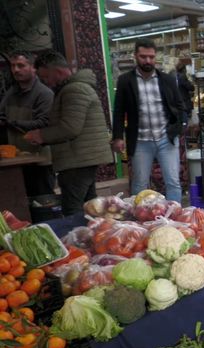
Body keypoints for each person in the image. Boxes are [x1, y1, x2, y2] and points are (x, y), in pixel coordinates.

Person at [24, 50, 113, 215]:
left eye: (45, 78)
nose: (45, 83)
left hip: (78, 160)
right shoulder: (74, 88)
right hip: (81, 158)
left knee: (73, 209)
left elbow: (70, 128)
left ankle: (78, 239)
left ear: (57, 72)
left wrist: (41, 135)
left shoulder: (74, 90)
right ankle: (93, 237)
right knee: (90, 207)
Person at [111, 38, 186, 203]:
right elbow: (118, 111)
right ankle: (139, 222)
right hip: (140, 141)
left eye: (151, 57)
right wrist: (117, 136)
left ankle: (176, 217)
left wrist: (178, 128)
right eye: (143, 57)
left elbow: (180, 106)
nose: (148, 61)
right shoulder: (125, 81)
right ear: (135, 56)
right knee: (139, 184)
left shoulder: (166, 80)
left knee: (173, 181)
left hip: (166, 139)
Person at [0, 50, 55, 197]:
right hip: (16, 160)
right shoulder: (11, 93)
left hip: (39, 160)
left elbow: (44, 123)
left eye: (21, 65)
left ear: (33, 68)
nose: (16, 70)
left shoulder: (44, 93)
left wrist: (12, 122)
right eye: (12, 66)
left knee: (42, 202)